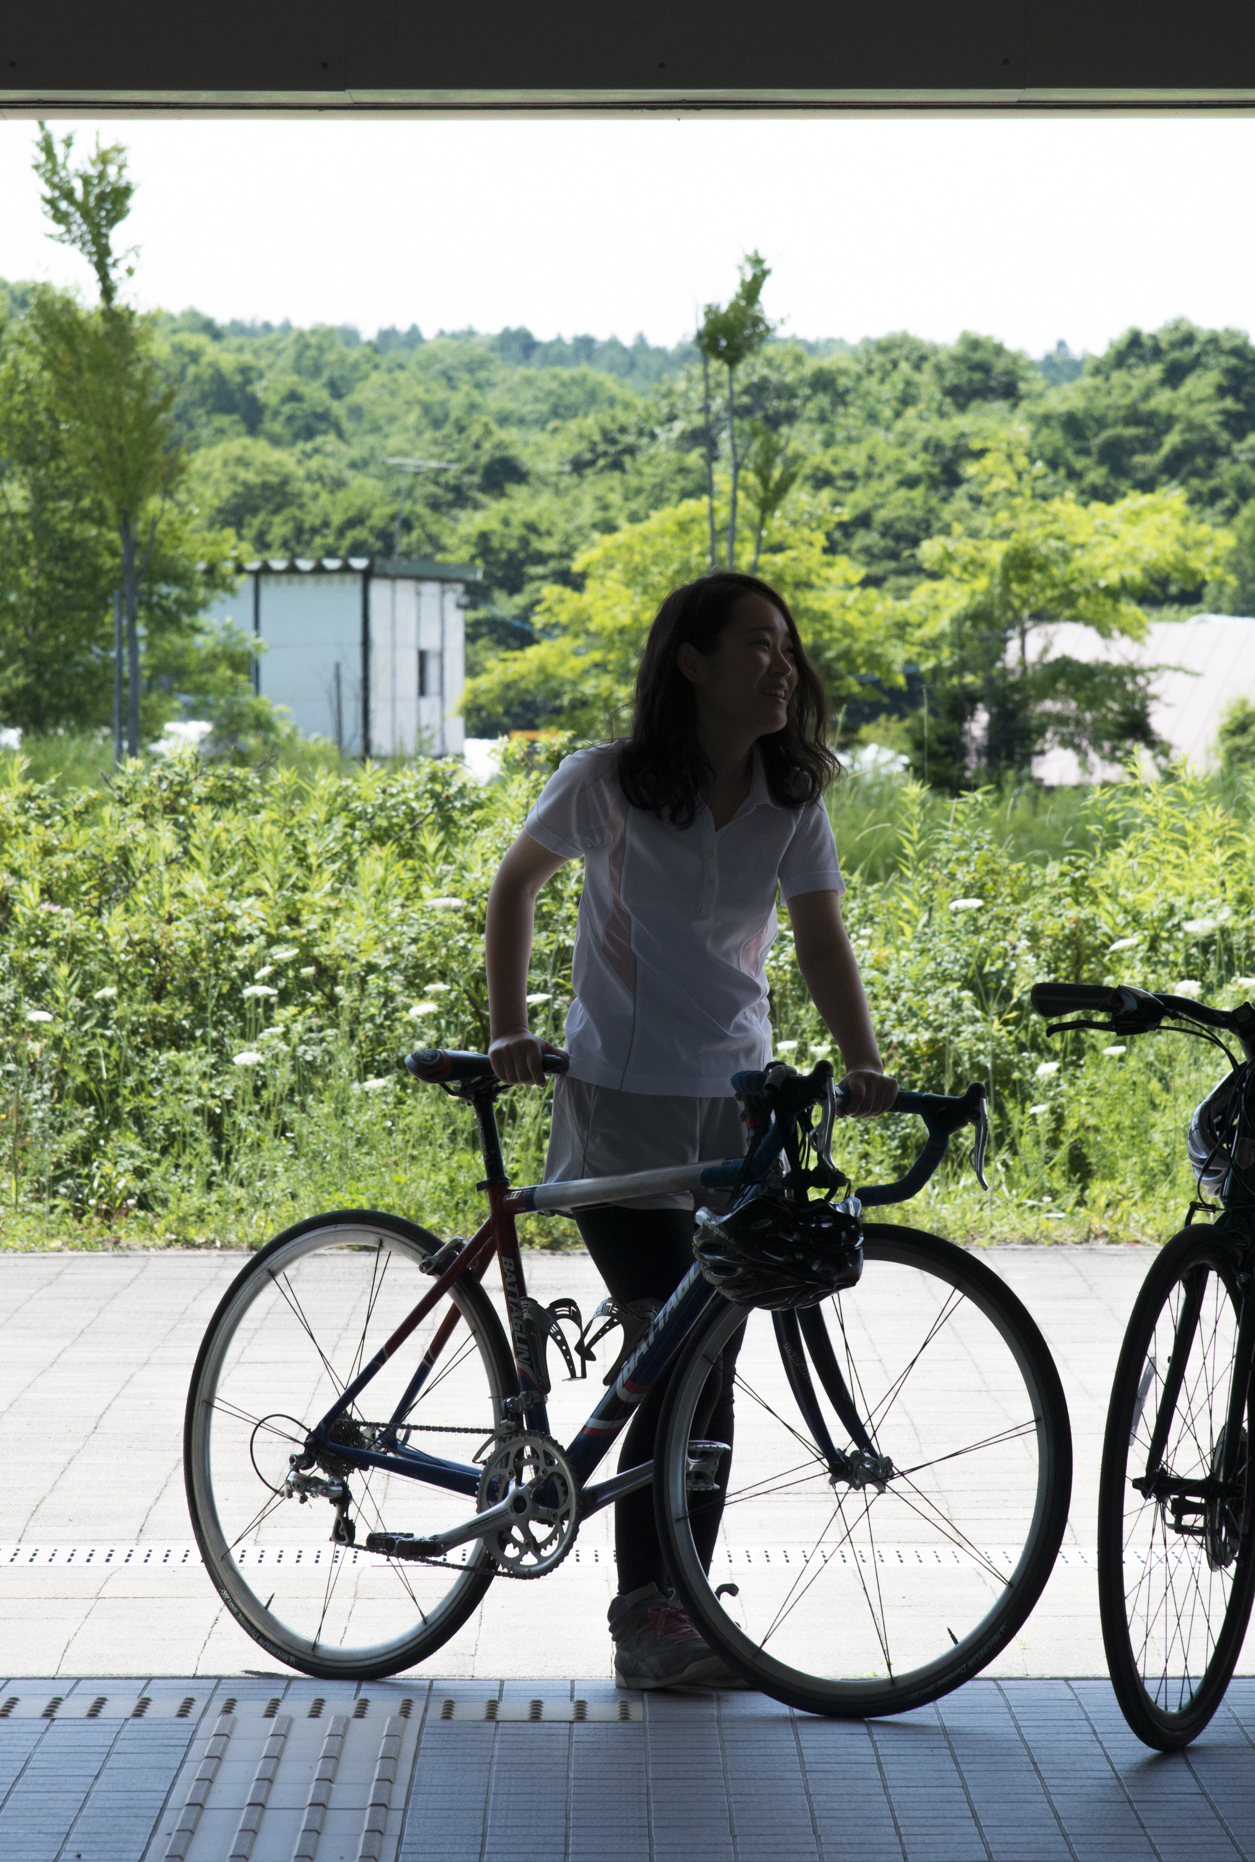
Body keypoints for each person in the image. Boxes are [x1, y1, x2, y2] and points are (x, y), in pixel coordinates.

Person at [482, 571, 897, 1692]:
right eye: (756, 644)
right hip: (618, 1102)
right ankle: (648, 1614)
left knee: (711, 1353)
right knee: (673, 1349)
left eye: (788, 646)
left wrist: (864, 1060)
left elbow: (820, 944)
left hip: (739, 1104)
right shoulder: (607, 783)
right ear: (692, 661)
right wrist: (512, 1028)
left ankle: (685, 1605)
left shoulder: (790, 795)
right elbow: (514, 886)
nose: (782, 665)